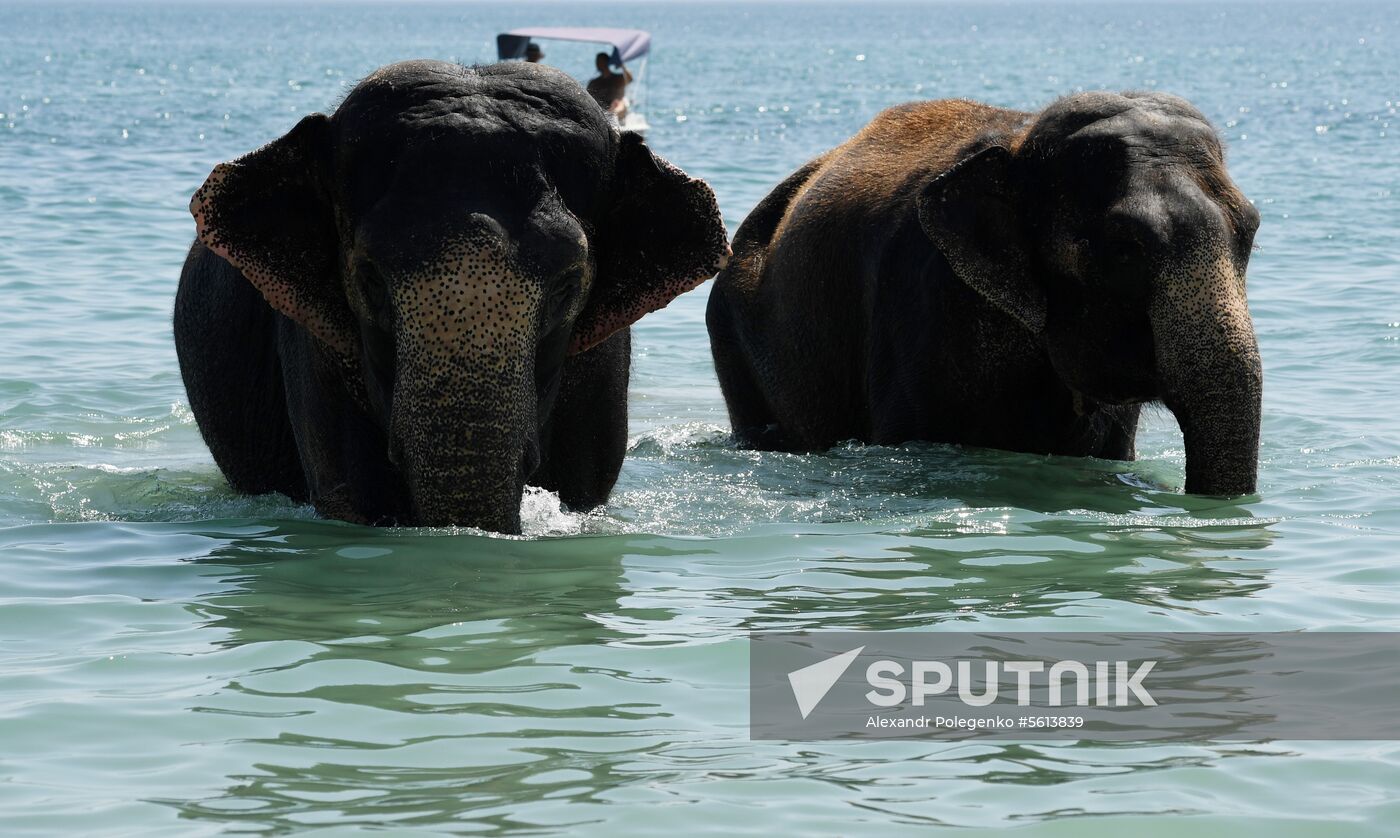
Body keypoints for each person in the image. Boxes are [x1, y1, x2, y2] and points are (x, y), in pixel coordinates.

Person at [586, 52, 632, 118]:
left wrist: (622, 66)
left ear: (606, 62)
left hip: (617, 108)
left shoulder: (618, 79)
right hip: (601, 110)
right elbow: (588, 98)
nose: (598, 64)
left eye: (600, 61)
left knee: (619, 103)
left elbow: (629, 79)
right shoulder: (594, 83)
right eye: (597, 61)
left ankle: (611, 115)